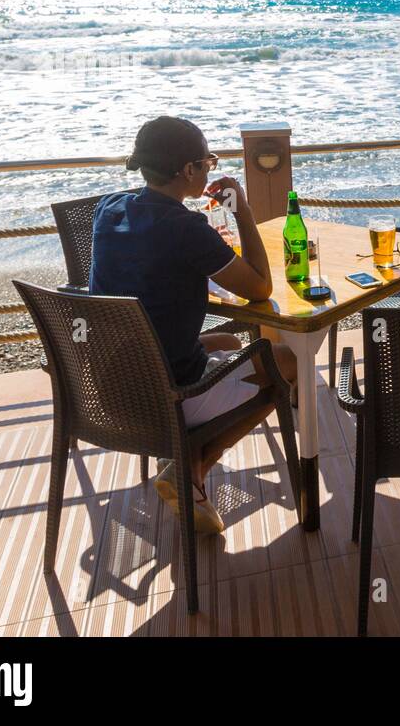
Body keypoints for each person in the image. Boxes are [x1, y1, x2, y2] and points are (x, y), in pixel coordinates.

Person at [89, 116, 297, 533]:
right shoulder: (186, 229)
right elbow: (260, 287)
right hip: (166, 397)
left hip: (108, 388)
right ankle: (194, 461)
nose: (208, 168)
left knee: (222, 338)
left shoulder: (108, 209)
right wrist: (243, 209)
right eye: (206, 162)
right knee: (287, 363)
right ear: (188, 171)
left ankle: (185, 461)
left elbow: (151, 273)